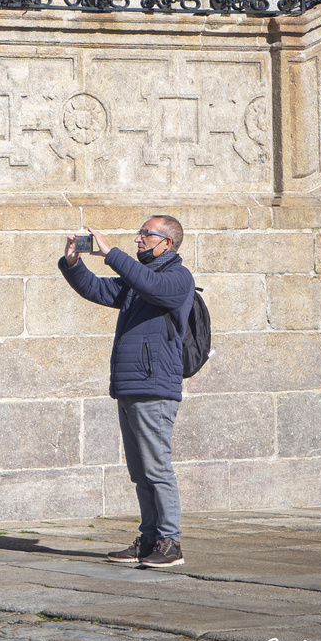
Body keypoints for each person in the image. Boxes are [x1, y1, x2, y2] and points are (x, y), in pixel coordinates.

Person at [59, 216, 195, 568]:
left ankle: (170, 541)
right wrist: (74, 262)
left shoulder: (177, 278)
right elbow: (97, 289)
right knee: (140, 470)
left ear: (166, 242)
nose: (138, 239)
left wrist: (110, 251)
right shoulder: (138, 283)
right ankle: (150, 537)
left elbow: (150, 283)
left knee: (157, 467)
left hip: (155, 386)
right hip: (130, 385)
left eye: (145, 234)